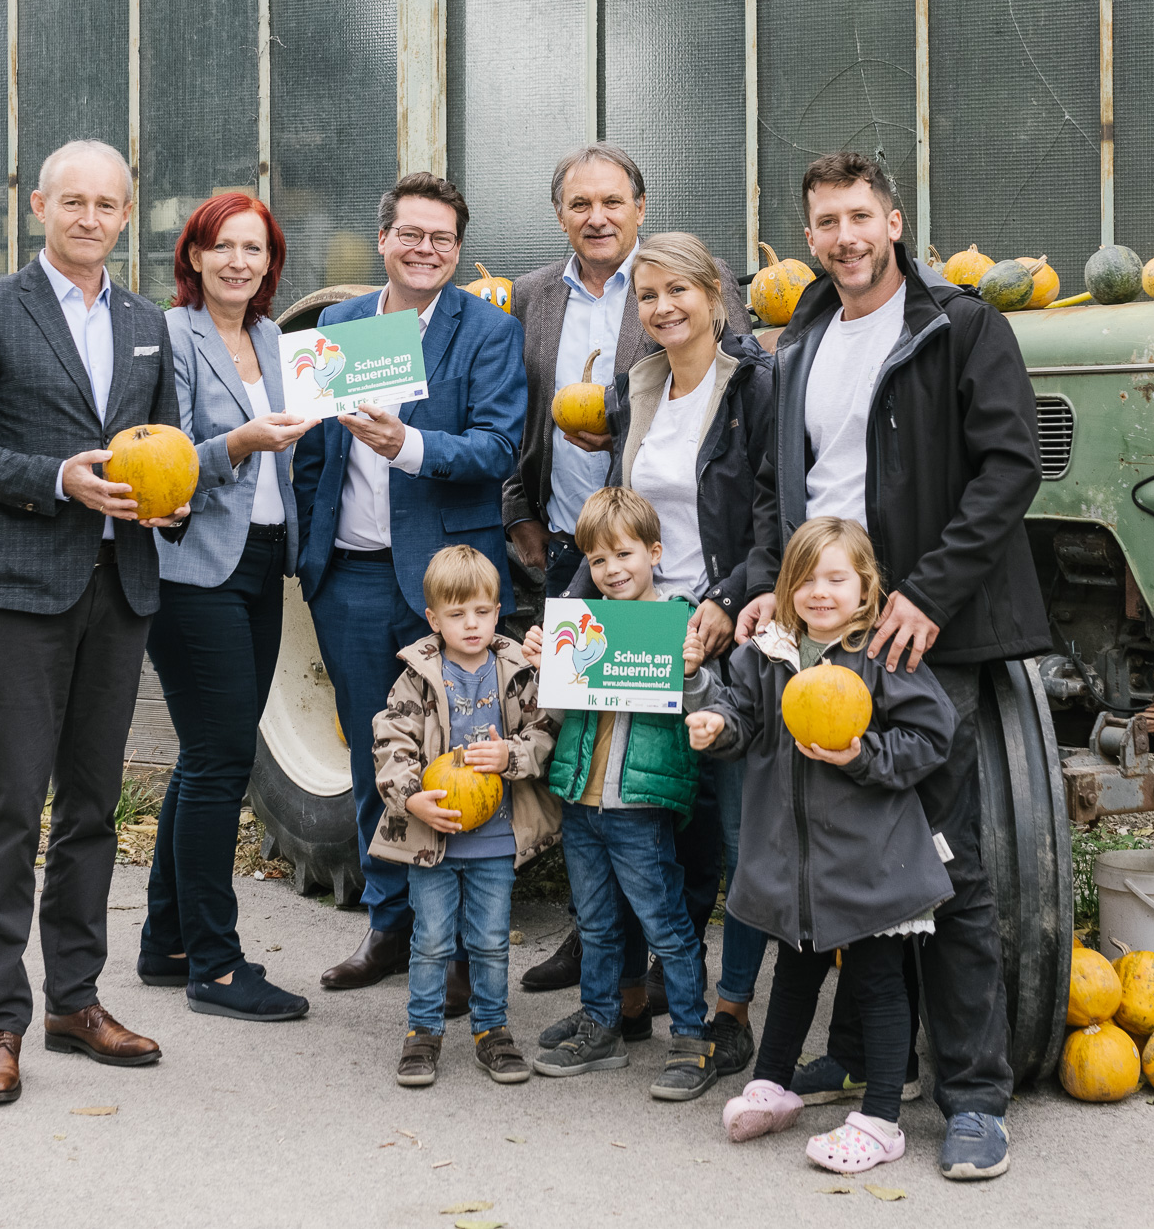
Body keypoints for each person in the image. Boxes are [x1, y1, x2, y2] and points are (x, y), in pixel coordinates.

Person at [734, 151, 1052, 1180]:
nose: (842, 238)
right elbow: (784, 491)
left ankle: (970, 1098)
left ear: (895, 221)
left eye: (858, 216)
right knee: (841, 855)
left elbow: (1011, 465)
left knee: (942, 867)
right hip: (823, 631)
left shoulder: (958, 326)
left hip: (921, 633)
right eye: (823, 221)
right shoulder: (800, 338)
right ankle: (878, 1061)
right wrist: (766, 586)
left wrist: (925, 591)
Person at [0, 139, 194, 1105]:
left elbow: (164, 446)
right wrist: (52, 478)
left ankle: (77, 1000)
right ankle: (1, 1021)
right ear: (38, 205)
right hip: (22, 593)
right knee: (11, 807)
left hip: (120, 590)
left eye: (107, 204)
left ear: (128, 214)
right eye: (71, 201)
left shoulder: (147, 322)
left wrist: (174, 502)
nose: (89, 218)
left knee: (91, 808)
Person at [498, 143, 745, 1001]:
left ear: (640, 209)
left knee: (687, 788)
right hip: (594, 563)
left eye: (612, 201)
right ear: (561, 214)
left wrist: (729, 597)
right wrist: (523, 522)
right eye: (579, 203)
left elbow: (757, 501)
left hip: (695, 598)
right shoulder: (536, 301)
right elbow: (516, 416)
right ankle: (606, 956)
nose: (596, 216)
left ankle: (684, 983)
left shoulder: (740, 378)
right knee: (604, 772)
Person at [531, 233, 773, 1074]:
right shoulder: (635, 388)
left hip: (723, 635)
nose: (663, 308)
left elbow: (775, 517)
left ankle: (726, 1013)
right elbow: (617, 525)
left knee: (730, 834)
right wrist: (566, 618)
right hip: (633, 632)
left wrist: (724, 601)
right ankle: (624, 1002)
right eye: (647, 296)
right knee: (630, 817)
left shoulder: (756, 389)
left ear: (714, 294)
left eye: (679, 292)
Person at [293, 173, 525, 1000]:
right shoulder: (339, 323)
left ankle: (460, 945)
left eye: (443, 239)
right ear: (383, 237)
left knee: (460, 755)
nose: (426, 250)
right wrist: (303, 552)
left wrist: (409, 446)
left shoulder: (488, 329)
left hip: (447, 586)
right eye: (412, 235)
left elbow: (500, 447)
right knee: (375, 755)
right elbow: (314, 453)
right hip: (350, 575)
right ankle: (390, 926)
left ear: (458, 252)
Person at [689, 517, 955, 1173]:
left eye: (837, 578)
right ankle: (772, 1085)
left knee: (877, 982)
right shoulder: (766, 654)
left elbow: (931, 737)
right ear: (785, 587)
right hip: (794, 859)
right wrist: (714, 722)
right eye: (805, 578)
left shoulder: (884, 656)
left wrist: (862, 754)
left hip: (870, 860)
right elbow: (740, 717)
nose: (820, 592)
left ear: (867, 588)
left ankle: (883, 1118)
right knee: (797, 965)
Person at [137, 192, 318, 1021]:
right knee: (220, 759)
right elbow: (159, 458)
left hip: (263, 562)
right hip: (192, 569)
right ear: (196, 258)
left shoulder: (281, 340)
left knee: (213, 751)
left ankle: (166, 941)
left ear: (269, 263)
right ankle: (215, 963)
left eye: (255, 249)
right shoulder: (171, 337)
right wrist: (239, 444)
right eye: (224, 247)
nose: (240, 262)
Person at [523, 487, 716, 1101]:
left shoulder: (678, 621)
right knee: (598, 924)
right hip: (583, 800)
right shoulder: (583, 624)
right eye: (597, 561)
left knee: (667, 925)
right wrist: (541, 664)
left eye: (624, 555)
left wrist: (690, 672)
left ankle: (692, 1038)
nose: (611, 571)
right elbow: (554, 707)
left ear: (655, 552)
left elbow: (704, 711)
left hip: (639, 806)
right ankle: (602, 1023)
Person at [372, 545, 561, 1088]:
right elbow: (391, 742)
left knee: (490, 938)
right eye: (456, 615)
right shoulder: (417, 677)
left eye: (481, 611)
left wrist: (512, 755)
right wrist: (410, 797)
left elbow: (545, 732)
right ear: (434, 619)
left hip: (496, 838)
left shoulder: (518, 673)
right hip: (432, 838)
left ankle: (492, 1029)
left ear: (498, 609)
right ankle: (423, 1031)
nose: (471, 624)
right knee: (430, 938)